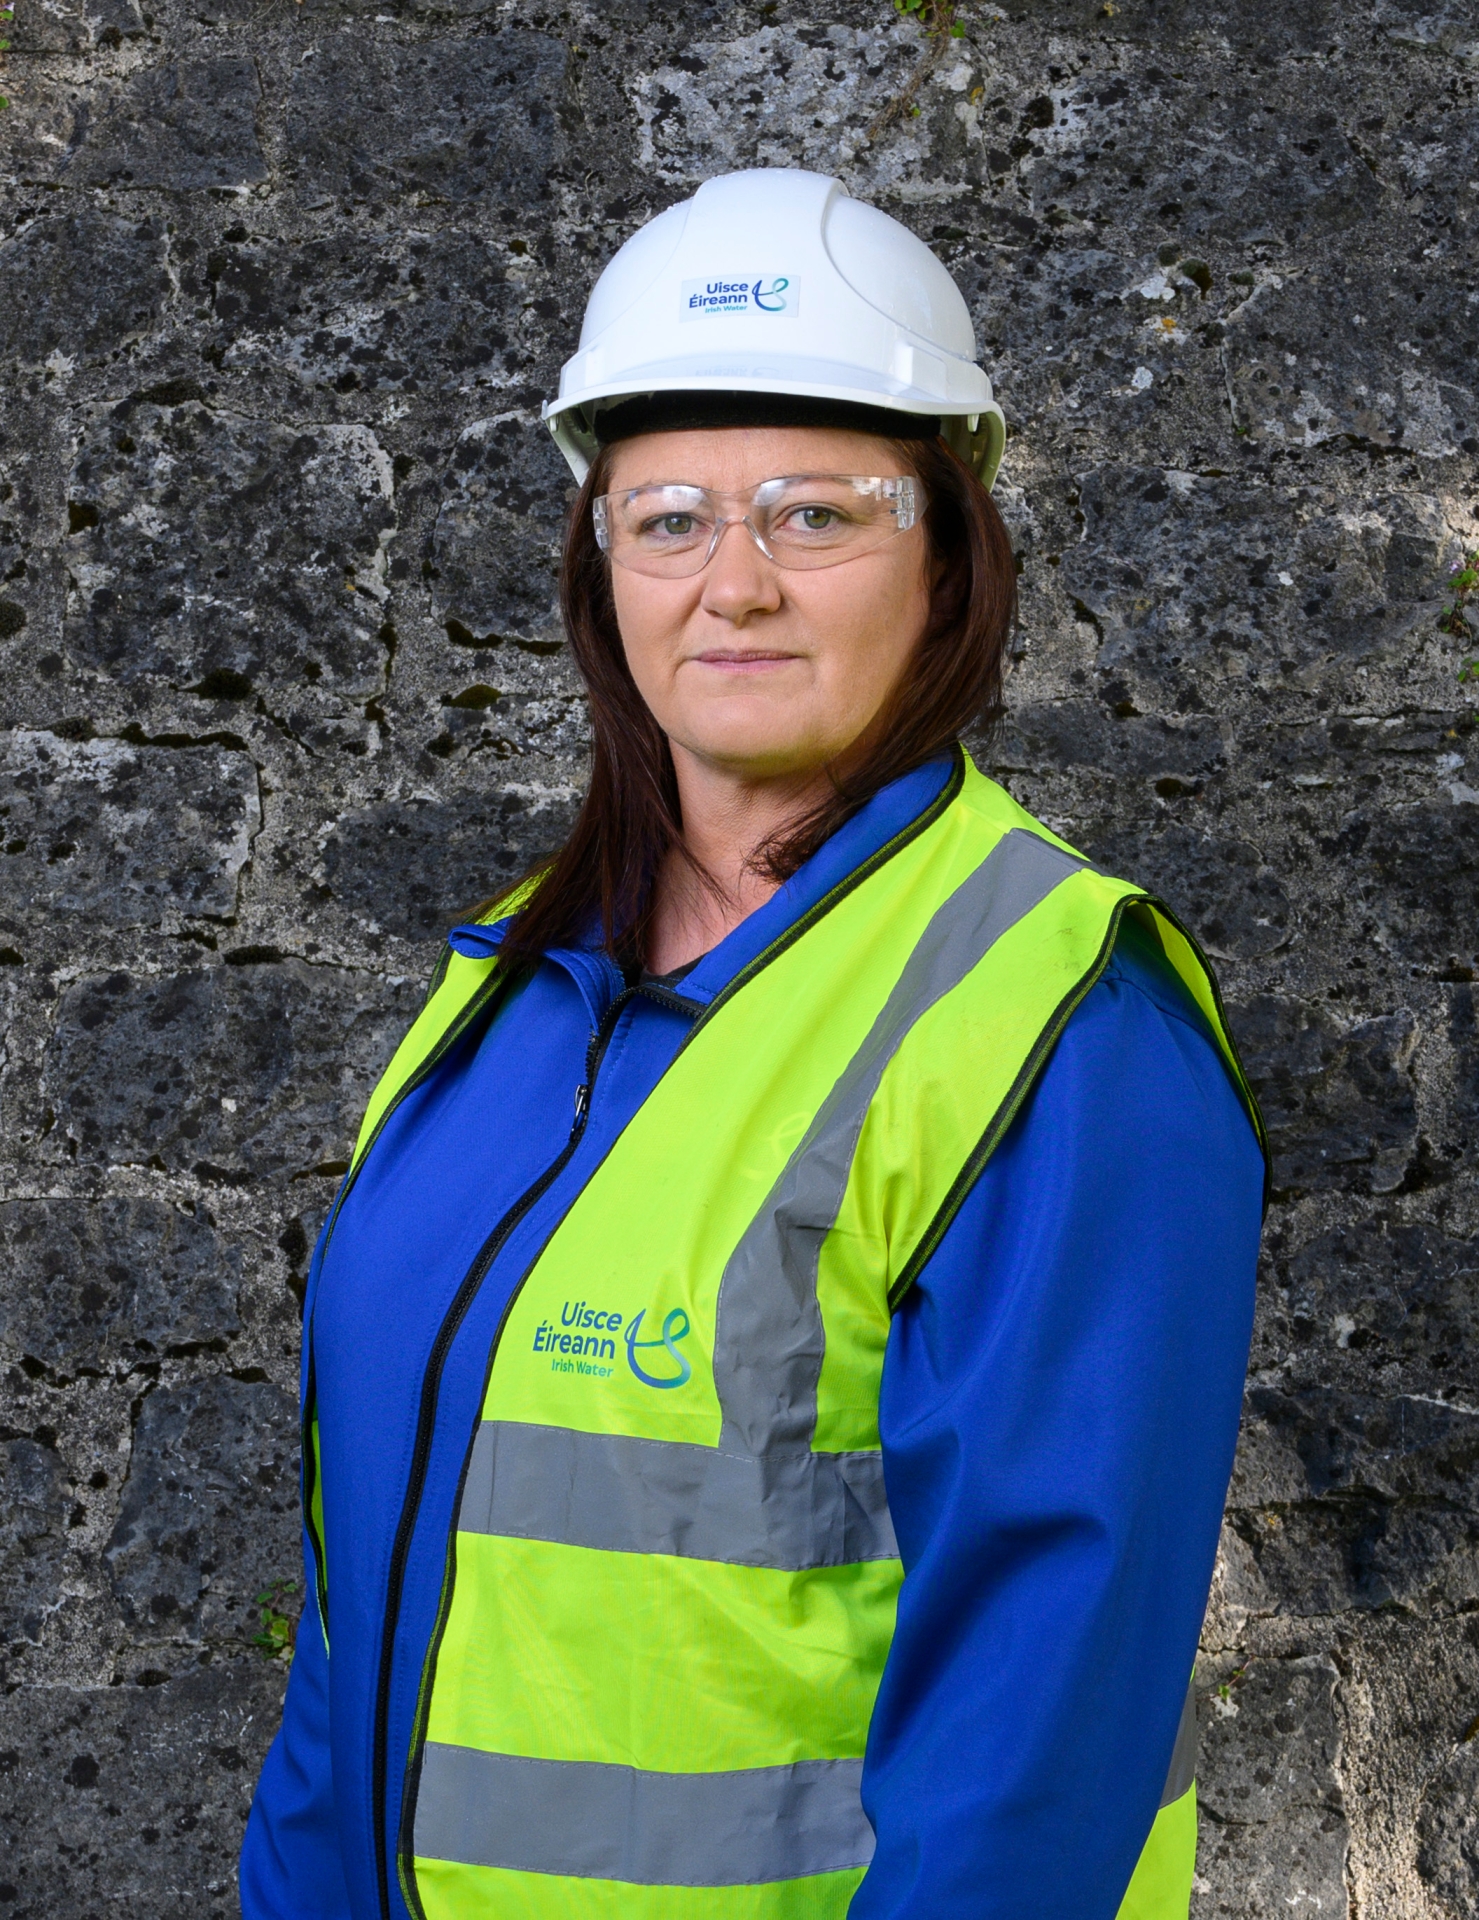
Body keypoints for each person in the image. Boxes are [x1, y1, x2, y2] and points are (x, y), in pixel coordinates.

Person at [241, 168, 1267, 1920]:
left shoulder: (1064, 1026)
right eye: (668, 520)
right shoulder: (503, 993)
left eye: (815, 514)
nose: (736, 586)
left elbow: (1035, 1761)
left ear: (948, 558)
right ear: (603, 569)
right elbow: (353, 1635)